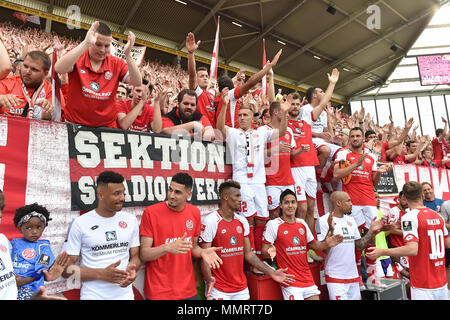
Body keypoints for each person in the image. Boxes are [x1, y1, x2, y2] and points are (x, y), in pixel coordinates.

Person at [216, 87, 289, 262]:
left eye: (245, 115)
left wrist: (284, 114)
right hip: (242, 182)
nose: (242, 118)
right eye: (240, 115)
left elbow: (282, 132)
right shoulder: (233, 133)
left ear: (252, 117)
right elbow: (219, 128)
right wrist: (224, 105)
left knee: (262, 219)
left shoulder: (262, 132)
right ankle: (249, 259)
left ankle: (260, 256)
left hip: (259, 183)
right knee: (247, 220)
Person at [199, 180, 295, 300]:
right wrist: (209, 280)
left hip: (241, 289)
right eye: (237, 196)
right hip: (219, 289)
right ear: (225, 197)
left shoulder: (242, 221)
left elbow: (249, 254)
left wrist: (271, 272)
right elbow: (205, 257)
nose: (240, 199)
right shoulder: (211, 221)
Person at [139, 173, 223, 300]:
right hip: (159, 292)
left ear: (188, 194)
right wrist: (167, 248)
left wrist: (202, 252)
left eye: (177, 192)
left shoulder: (194, 213)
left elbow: (193, 247)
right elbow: (144, 254)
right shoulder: (151, 213)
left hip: (188, 291)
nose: (172, 195)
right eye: (170, 190)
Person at [63, 171, 141, 300]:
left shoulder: (131, 220)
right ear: (101, 195)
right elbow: (65, 270)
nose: (122, 198)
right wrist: (101, 274)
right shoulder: (80, 223)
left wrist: (132, 269)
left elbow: (136, 257)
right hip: (93, 296)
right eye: (116, 194)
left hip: (125, 296)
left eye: (123, 193)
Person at [366, 181, 450, 300]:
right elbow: (447, 244)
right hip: (441, 283)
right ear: (422, 196)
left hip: (423, 285)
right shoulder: (438, 216)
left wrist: (382, 251)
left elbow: (412, 249)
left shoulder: (409, 217)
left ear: (404, 196)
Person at [333, 126, 392, 288]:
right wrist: (355, 164)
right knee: (356, 238)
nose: (355, 138)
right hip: (351, 201)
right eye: (352, 136)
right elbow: (337, 174)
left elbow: (374, 182)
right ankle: (358, 276)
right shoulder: (343, 154)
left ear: (363, 138)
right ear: (349, 138)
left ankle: (372, 277)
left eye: (358, 136)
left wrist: (379, 172)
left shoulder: (371, 156)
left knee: (373, 234)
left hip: (369, 201)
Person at [54, 21, 142, 128]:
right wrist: (86, 43)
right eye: (98, 44)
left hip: (105, 127)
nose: (102, 50)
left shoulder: (117, 63)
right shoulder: (78, 55)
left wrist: (128, 54)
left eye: (106, 46)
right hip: (74, 124)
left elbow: (137, 82)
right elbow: (59, 68)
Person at [262, 189, 343, 300]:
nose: (290, 206)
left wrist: (327, 242)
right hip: (290, 281)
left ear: (297, 204)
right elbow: (264, 250)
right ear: (280, 205)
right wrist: (271, 253)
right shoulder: (274, 224)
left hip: (307, 279)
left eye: (293, 202)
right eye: (286, 203)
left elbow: (315, 245)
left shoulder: (302, 223)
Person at [288, 69, 340, 241]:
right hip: (296, 169)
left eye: (297, 105)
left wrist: (332, 84)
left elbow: (322, 103)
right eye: (292, 105)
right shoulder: (283, 124)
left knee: (311, 208)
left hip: (310, 168)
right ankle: (298, 241)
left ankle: (310, 243)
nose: (295, 108)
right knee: (301, 209)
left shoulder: (306, 121)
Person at [317, 191, 383, 300]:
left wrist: (371, 231)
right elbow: (324, 250)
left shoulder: (351, 220)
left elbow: (358, 246)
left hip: (353, 276)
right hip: (335, 276)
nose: (351, 203)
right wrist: (331, 231)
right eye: (348, 201)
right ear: (338, 203)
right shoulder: (323, 220)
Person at [10, 203, 69, 299]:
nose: (34, 231)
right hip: (10, 286)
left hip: (31, 290)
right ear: (20, 228)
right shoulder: (14, 243)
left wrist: (25, 280)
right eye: (29, 227)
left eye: (39, 227)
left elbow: (41, 269)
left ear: (44, 227)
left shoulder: (43, 246)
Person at [214, 49, 283, 129]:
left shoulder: (218, 98)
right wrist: (268, 68)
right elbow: (250, 83)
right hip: (232, 137)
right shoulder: (229, 95)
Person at [0, 50, 56, 120]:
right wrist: (1, 99)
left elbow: (57, 119)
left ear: (46, 74)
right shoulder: (6, 84)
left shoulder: (52, 91)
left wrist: (47, 114)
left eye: (34, 69)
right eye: (25, 66)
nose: (27, 72)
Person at [186, 33, 216, 127]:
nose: (205, 78)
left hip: (214, 134)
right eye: (202, 76)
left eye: (206, 76)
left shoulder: (212, 94)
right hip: (200, 133)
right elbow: (192, 75)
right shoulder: (197, 92)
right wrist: (191, 54)